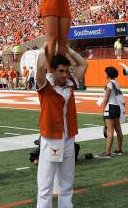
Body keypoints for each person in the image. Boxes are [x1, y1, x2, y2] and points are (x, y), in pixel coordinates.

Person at [35, 53, 88, 208]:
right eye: (61, 71)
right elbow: (39, 70)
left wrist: (69, 50)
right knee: (46, 184)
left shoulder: (70, 82)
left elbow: (83, 64)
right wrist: (46, 50)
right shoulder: (46, 86)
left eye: (67, 71)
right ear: (52, 71)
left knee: (67, 182)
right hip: (51, 139)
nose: (65, 74)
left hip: (69, 137)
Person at [101, 66, 124, 158]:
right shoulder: (115, 83)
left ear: (108, 74)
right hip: (117, 107)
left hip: (109, 107)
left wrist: (103, 108)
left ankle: (107, 152)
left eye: (105, 72)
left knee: (110, 130)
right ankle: (119, 149)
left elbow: (106, 98)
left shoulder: (110, 83)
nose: (104, 74)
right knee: (118, 129)